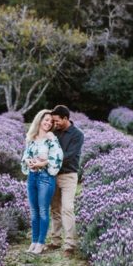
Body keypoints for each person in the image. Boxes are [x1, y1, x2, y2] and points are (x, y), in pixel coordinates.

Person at [20, 109, 64, 254]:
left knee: (43, 210)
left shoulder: (51, 138)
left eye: (51, 122)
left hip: (45, 177)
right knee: (34, 211)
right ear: (39, 120)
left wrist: (42, 163)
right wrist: (29, 161)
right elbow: (25, 155)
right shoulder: (31, 138)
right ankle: (34, 241)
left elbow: (57, 157)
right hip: (32, 176)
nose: (48, 123)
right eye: (46, 120)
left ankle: (41, 243)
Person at [48, 105, 84, 256]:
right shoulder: (54, 132)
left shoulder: (77, 134)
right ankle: (55, 241)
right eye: (53, 121)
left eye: (57, 121)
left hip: (69, 175)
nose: (55, 123)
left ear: (65, 118)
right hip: (52, 174)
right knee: (55, 209)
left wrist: (48, 160)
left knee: (67, 208)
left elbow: (69, 155)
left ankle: (70, 244)